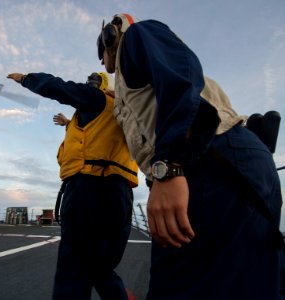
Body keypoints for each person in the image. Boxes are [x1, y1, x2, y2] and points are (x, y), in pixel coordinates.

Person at [96, 13, 284, 299]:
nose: (100, 61)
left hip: (205, 161)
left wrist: (168, 166)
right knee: (256, 283)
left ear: (111, 37)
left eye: (101, 47)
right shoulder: (125, 81)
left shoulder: (136, 37)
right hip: (234, 158)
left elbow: (183, 76)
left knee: (176, 286)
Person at [7, 71, 139, 300]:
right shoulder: (117, 110)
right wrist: (69, 124)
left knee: (73, 266)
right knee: (100, 266)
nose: (89, 84)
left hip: (88, 187)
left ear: (102, 86)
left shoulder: (96, 98)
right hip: (119, 193)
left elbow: (60, 87)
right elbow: (99, 138)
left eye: (94, 82)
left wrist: (26, 79)